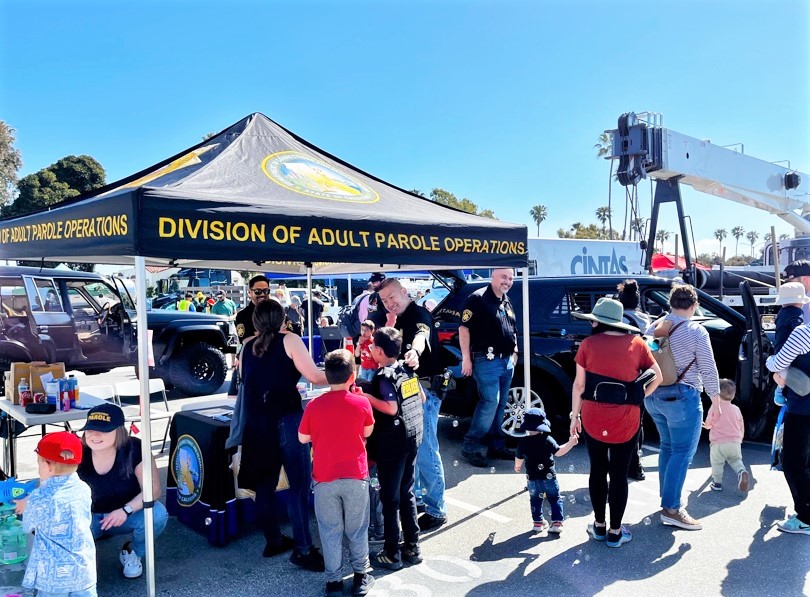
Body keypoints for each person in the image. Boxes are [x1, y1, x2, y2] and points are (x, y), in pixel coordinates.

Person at [236, 299, 328, 569]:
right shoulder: (290, 340)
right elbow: (314, 376)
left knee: (264, 483)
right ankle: (303, 549)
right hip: (286, 420)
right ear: (282, 318)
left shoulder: (245, 346)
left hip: (257, 423)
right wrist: (344, 371)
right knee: (298, 486)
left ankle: (273, 540)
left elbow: (247, 379)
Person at [571, 297, 662, 548]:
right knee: (619, 475)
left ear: (598, 322)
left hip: (593, 416)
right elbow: (658, 376)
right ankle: (615, 532)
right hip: (626, 419)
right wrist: (637, 396)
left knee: (597, 470)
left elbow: (579, 385)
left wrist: (573, 417)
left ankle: (599, 526)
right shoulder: (637, 343)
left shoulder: (588, 345)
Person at [298, 350, 375, 597]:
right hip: (355, 474)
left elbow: (303, 438)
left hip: (325, 477)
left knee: (330, 531)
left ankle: (334, 582)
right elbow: (368, 432)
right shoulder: (361, 402)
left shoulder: (314, 405)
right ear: (353, 376)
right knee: (357, 528)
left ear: (326, 375)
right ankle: (361, 576)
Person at [644, 283, 719, 531]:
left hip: (653, 395)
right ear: (695, 305)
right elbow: (708, 368)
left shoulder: (654, 326)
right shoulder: (696, 331)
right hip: (682, 397)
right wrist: (716, 401)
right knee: (683, 451)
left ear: (671, 303)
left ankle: (668, 500)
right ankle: (672, 508)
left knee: (667, 447)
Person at [377, 278, 446, 532]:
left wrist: (415, 352)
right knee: (412, 451)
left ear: (405, 292)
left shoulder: (419, 314)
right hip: (409, 392)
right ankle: (416, 499)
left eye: (392, 297)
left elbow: (421, 335)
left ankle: (437, 509)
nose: (389, 303)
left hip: (425, 392)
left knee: (426, 450)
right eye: (385, 301)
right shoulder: (397, 318)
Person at [76, 403, 168, 579]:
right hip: (87, 517)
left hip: (124, 515)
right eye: (90, 429)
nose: (94, 434)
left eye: (103, 430)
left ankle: (134, 551)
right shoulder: (77, 450)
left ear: (119, 431)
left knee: (156, 514)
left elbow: (153, 490)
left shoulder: (135, 448)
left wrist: (126, 510)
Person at [365, 327, 424, 570]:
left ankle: (391, 553)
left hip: (394, 443)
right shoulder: (408, 370)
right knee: (407, 491)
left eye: (372, 347)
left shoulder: (383, 376)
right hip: (413, 437)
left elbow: (390, 408)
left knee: (390, 499)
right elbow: (421, 398)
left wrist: (367, 397)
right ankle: (412, 546)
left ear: (378, 351)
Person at [15, 431, 96, 597]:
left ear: (49, 466)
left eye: (39, 464)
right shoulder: (84, 489)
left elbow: (27, 526)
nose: (38, 469)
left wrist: (27, 505)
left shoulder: (39, 497)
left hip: (52, 576)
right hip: (83, 571)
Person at [458, 268, 519, 467]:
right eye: (504, 277)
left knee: (500, 404)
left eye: (510, 278)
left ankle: (496, 445)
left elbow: (512, 328)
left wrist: (515, 351)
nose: (507, 281)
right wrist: (466, 359)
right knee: (490, 402)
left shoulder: (506, 300)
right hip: (486, 360)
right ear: (492, 276)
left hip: (506, 361)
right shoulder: (477, 298)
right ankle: (471, 446)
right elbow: (463, 328)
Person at [765, 322, 810, 535]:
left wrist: (769, 361)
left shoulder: (803, 333)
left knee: (793, 462)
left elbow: (777, 363)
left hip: (803, 409)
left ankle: (806, 517)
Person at [514, 408, 578, 533]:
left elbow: (518, 456)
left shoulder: (523, 441)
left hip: (532, 478)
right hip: (549, 477)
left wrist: (517, 466)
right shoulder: (547, 439)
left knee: (535, 500)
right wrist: (570, 443)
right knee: (554, 498)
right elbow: (559, 451)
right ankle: (557, 523)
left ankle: (538, 523)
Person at [617, 279, 651, 481]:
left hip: (614, 377)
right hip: (637, 378)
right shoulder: (645, 321)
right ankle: (635, 464)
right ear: (637, 301)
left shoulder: (613, 320)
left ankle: (619, 463)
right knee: (636, 422)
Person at [703, 378, 749, 492]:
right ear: (733, 395)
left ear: (717, 394)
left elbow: (708, 424)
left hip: (718, 442)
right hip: (735, 441)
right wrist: (740, 438)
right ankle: (741, 472)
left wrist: (706, 426)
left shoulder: (714, 407)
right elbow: (741, 425)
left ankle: (717, 483)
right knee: (736, 460)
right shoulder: (736, 409)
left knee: (717, 463)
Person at [771, 282, 808, 406]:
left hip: (779, 350)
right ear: (801, 302)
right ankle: (780, 393)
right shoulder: (796, 314)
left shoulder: (782, 313)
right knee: (784, 375)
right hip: (787, 352)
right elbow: (796, 329)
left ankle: (780, 391)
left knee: (781, 374)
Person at [235, 275, 271, 343]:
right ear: (249, 293)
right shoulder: (243, 315)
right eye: (258, 291)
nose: (262, 294)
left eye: (266, 291)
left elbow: (289, 333)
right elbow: (246, 340)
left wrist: (260, 334)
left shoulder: (277, 311)